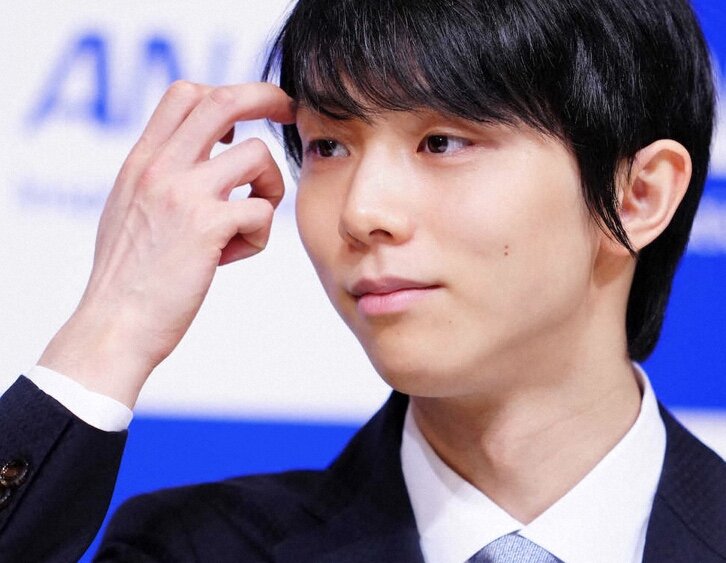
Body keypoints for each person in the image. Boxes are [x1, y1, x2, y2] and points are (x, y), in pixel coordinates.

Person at [0, 0, 724, 561]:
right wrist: (110, 330)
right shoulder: (193, 549)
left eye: (442, 142)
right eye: (328, 146)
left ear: (639, 196)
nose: (361, 211)